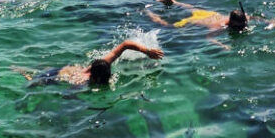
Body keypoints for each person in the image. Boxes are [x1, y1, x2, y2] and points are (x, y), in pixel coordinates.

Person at [13, 39, 164, 86]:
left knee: (39, 71)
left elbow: (125, 45)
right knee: (33, 81)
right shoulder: (80, 82)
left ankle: (19, 68)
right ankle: (18, 71)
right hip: (56, 77)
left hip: (64, 68)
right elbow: (68, 95)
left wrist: (147, 51)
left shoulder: (102, 64)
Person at [145, 0, 275, 35]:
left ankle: (172, 1)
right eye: (240, 26)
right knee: (169, 26)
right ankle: (149, 12)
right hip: (196, 20)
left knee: (192, 8)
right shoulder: (219, 26)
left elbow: (253, 17)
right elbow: (210, 38)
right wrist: (222, 45)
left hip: (207, 14)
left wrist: (269, 22)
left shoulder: (242, 17)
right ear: (231, 23)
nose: (243, 27)